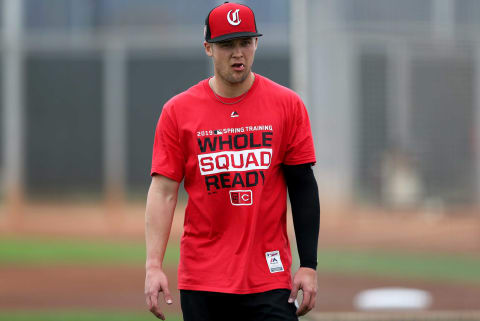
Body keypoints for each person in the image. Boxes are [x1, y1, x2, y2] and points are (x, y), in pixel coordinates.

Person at [144, 2, 320, 320]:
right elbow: (164, 192)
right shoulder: (178, 111)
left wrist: (308, 264)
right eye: (227, 44)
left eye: (245, 42)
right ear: (208, 48)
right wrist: (153, 265)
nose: (237, 53)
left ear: (256, 44)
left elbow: (303, 188)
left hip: (269, 277)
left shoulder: (287, 105)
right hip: (203, 279)